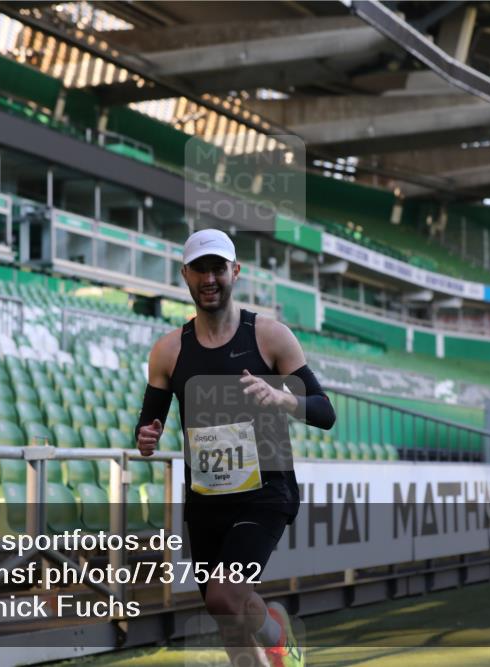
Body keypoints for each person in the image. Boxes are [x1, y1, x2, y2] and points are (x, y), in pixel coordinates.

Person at [135, 229, 336, 667]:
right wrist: (146, 439)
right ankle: (275, 635)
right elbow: (148, 425)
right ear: (185, 275)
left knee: (226, 595)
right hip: (207, 499)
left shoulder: (270, 336)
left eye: (218, 268)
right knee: (226, 610)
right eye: (200, 269)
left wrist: (285, 398)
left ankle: (276, 632)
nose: (210, 279)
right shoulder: (168, 350)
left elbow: (325, 411)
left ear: (235, 272)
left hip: (265, 493)